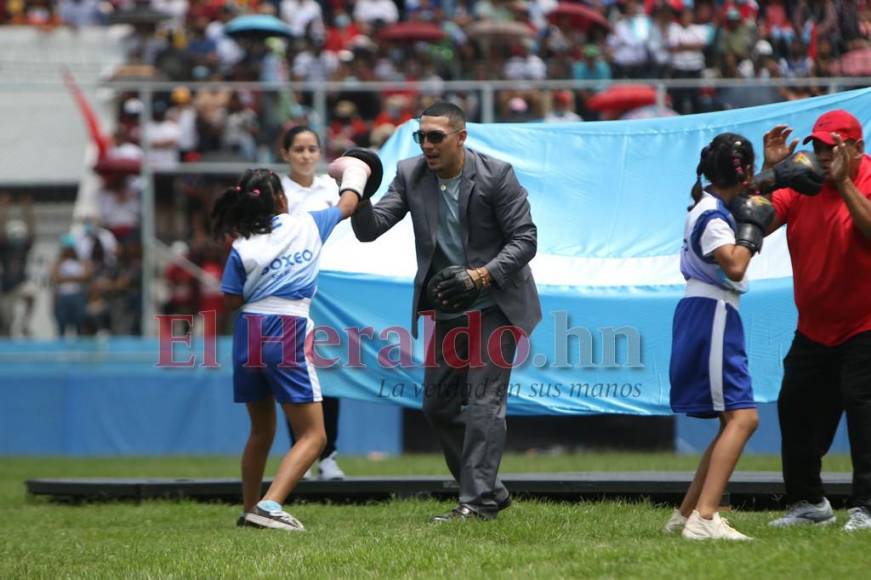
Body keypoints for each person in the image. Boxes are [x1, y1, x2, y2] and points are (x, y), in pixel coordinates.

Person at [351, 101, 541, 522]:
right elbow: (370, 230)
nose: (427, 145)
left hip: (498, 304)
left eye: (436, 137)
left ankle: (475, 503)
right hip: (451, 308)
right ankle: (489, 490)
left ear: (461, 137)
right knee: (437, 407)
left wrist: (481, 276)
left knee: (485, 402)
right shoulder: (409, 173)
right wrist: (358, 193)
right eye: (421, 137)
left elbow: (525, 240)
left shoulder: (497, 175)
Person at [215, 154, 379, 531]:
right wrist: (358, 170)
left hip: (248, 331)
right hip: (286, 328)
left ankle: (249, 506)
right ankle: (271, 506)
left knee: (260, 431)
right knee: (315, 435)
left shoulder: (242, 244)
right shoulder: (305, 224)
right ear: (282, 201)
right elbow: (349, 204)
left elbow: (231, 299)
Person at [762, 110, 871, 532]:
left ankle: (866, 506)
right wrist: (770, 174)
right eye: (819, 147)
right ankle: (809, 503)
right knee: (795, 408)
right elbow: (758, 222)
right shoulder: (802, 184)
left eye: (833, 147)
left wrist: (843, 183)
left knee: (865, 414)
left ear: (857, 148)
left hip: (865, 324)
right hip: (814, 327)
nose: (824, 156)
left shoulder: (860, 180)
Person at [664, 133, 770, 541]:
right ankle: (705, 518)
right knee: (744, 418)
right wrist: (753, 226)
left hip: (709, 312)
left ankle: (687, 513)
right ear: (740, 176)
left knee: (731, 419)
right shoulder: (713, 217)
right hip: (713, 313)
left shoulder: (711, 205)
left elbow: (743, 206)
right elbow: (735, 265)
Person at [278, 126, 346, 480]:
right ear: (286, 152)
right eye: (298, 149)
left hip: (330, 293)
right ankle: (300, 454)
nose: (305, 156)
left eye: (312, 149)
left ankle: (328, 455)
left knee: (329, 373)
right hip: (293, 295)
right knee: (296, 375)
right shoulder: (278, 192)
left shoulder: (329, 187)